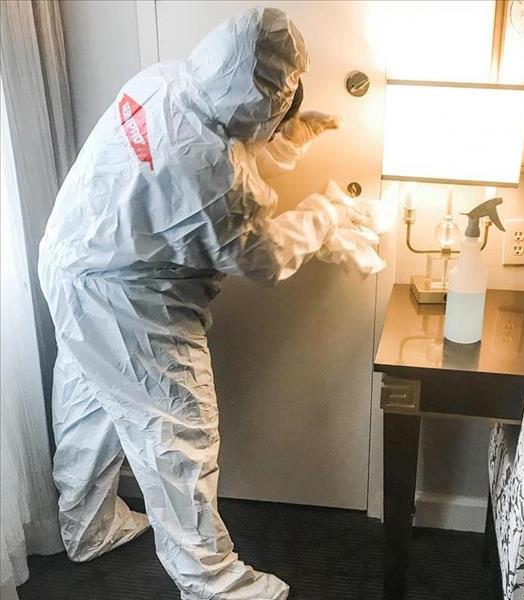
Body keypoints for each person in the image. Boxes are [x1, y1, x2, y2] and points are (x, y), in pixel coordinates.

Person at [38, 7, 383, 600]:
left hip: (70, 261)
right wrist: (326, 211)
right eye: (282, 108)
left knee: (92, 403)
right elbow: (262, 257)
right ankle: (212, 582)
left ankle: (88, 525)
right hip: (131, 302)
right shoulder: (214, 172)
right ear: (264, 103)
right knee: (179, 434)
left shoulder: (164, 79)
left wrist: (287, 141)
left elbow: (210, 149)